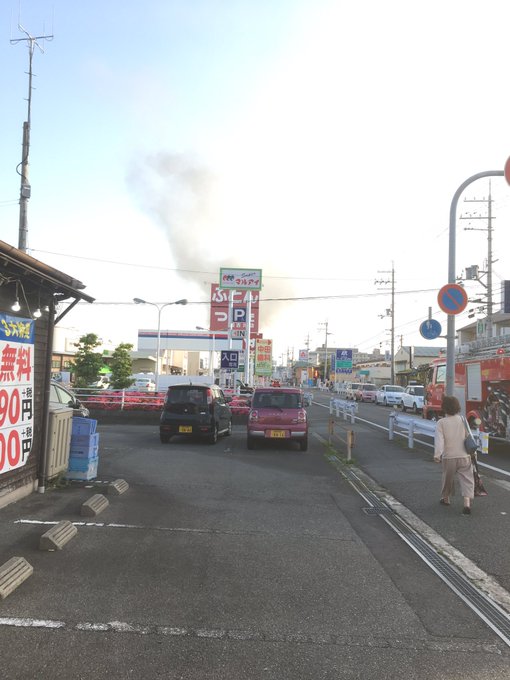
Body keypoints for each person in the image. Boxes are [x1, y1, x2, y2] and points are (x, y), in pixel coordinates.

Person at [433, 395, 474, 514]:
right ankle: (466, 503)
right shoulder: (462, 419)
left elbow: (439, 440)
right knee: (467, 479)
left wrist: (437, 454)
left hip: (449, 457)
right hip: (464, 455)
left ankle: (446, 499)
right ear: (457, 407)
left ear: (444, 408)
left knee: (447, 478)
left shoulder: (441, 422)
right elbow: (468, 436)